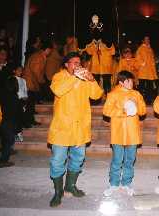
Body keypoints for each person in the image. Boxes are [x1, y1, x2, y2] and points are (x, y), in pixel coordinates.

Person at [47, 52, 103, 207]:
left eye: (79, 63)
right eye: (74, 63)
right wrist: (75, 78)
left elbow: (97, 94)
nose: (77, 65)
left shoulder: (85, 78)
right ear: (66, 64)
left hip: (80, 127)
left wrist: (92, 80)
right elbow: (58, 90)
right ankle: (58, 192)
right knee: (58, 161)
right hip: (62, 128)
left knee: (78, 159)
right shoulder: (59, 77)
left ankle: (70, 186)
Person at [102, 70, 146, 197]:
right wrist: (123, 110)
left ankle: (126, 183)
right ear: (121, 82)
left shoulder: (136, 94)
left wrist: (136, 107)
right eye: (128, 81)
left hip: (132, 133)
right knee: (117, 159)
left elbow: (143, 111)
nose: (131, 83)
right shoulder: (113, 94)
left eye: (132, 80)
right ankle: (114, 183)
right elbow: (106, 111)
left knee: (130, 159)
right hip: (118, 132)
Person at [23, 40, 53, 126]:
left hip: (32, 82)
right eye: (50, 50)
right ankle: (27, 122)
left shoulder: (40, 55)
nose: (50, 52)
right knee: (29, 104)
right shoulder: (38, 56)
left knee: (31, 104)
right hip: (29, 82)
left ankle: (30, 120)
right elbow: (35, 69)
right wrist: (41, 80)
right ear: (47, 49)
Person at [0, 76, 21, 168]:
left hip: (3, 120)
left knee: (5, 139)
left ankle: (5, 152)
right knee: (9, 140)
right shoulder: (14, 97)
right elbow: (17, 112)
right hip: (10, 121)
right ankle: (3, 160)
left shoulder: (3, 94)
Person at [135, 36, 158, 104]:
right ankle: (140, 100)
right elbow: (137, 57)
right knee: (141, 86)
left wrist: (154, 70)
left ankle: (148, 100)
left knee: (149, 86)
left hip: (150, 72)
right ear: (143, 41)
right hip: (143, 71)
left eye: (148, 39)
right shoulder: (140, 48)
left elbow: (152, 60)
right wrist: (142, 63)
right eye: (146, 39)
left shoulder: (150, 49)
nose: (147, 40)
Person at [13, 64, 28, 141]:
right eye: (18, 70)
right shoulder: (12, 80)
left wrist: (26, 98)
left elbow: (25, 90)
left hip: (22, 100)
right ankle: (17, 133)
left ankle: (19, 132)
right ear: (14, 71)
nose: (20, 71)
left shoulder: (23, 80)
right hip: (15, 101)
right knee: (16, 118)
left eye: (21, 70)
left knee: (21, 117)